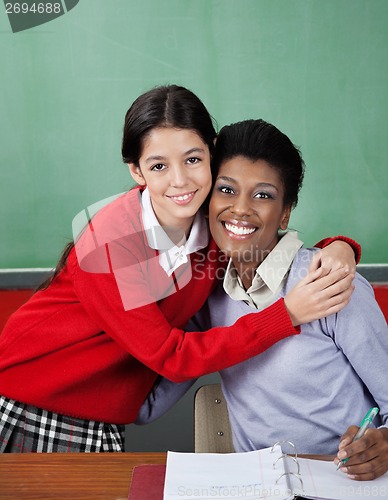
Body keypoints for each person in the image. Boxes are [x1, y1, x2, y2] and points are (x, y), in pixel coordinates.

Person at [0, 86, 358, 453]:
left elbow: (267, 239)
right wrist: (287, 315)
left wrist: (340, 248)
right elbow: (172, 356)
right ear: (136, 171)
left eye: (192, 159)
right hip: (36, 400)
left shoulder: (212, 224)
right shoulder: (111, 244)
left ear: (212, 151)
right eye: (159, 166)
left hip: (100, 410)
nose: (180, 181)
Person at [137, 119, 388, 481]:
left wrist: (383, 442)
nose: (240, 209)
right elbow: (150, 403)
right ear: (206, 199)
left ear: (285, 212)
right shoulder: (207, 295)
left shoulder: (328, 282)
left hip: (344, 482)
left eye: (263, 195)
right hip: (260, 486)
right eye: (226, 190)